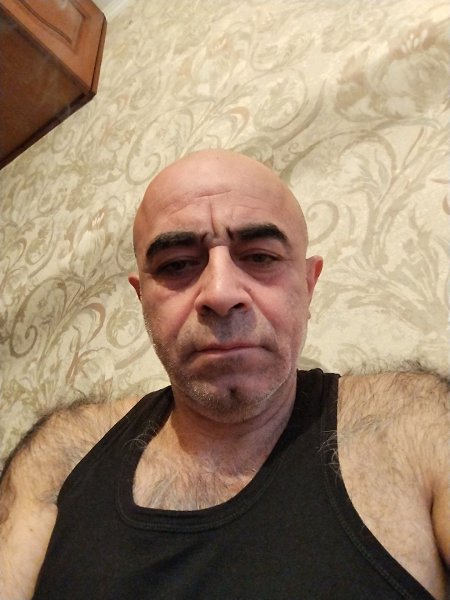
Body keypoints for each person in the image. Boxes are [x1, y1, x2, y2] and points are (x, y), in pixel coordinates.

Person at [0, 149, 448, 600]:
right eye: (176, 264)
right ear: (142, 299)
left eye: (260, 257)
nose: (220, 293)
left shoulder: (416, 423)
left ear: (309, 285)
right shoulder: (60, 453)